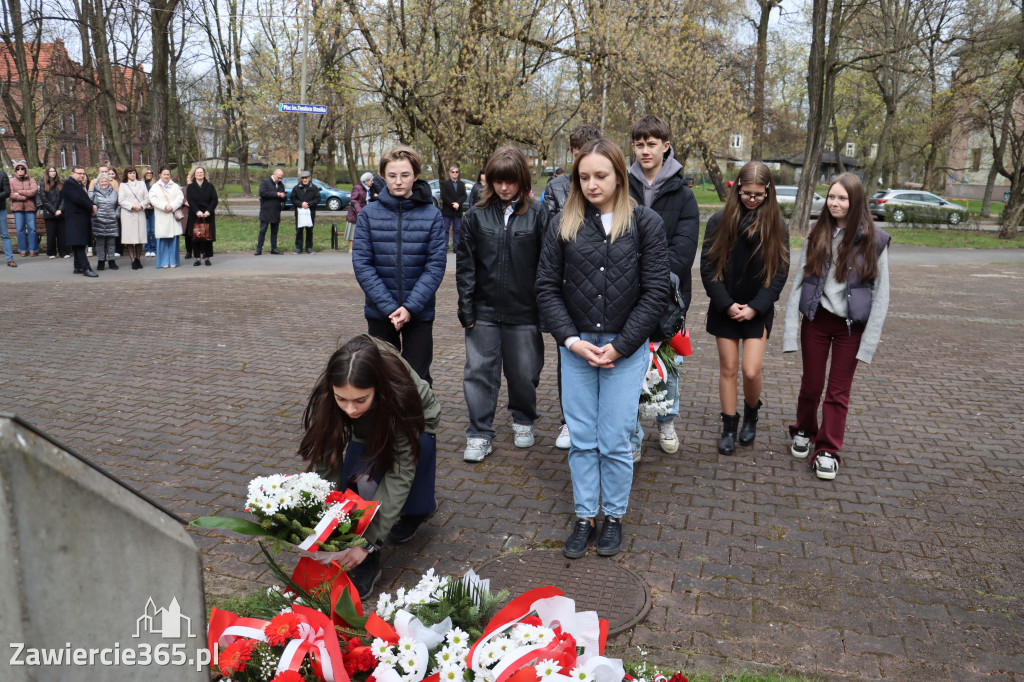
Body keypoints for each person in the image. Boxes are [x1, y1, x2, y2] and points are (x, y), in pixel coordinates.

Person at [535, 138, 670, 558]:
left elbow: (655, 293)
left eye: (601, 175)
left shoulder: (646, 224)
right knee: (582, 438)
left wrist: (623, 346)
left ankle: (613, 516)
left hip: (624, 348)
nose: (592, 184)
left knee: (614, 437)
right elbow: (545, 288)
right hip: (576, 346)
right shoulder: (563, 223)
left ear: (618, 174)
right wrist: (571, 341)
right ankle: (584, 516)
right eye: (584, 176)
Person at [299, 334, 440, 598]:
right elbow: (326, 461)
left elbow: (399, 473)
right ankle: (358, 536)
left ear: (377, 387)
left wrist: (367, 544)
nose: (350, 410)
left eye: (359, 400)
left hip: (414, 421)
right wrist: (325, 525)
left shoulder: (401, 396)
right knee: (351, 483)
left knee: (373, 479)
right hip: (369, 426)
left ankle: (404, 524)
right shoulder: (329, 394)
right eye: (342, 400)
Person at [783, 173, 891, 481]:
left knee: (838, 391)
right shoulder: (818, 233)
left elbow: (881, 295)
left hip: (850, 329)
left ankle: (828, 449)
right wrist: (791, 331)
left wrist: (868, 343)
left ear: (855, 201)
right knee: (812, 383)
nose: (835, 203)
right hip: (816, 321)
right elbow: (798, 285)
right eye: (831, 197)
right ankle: (804, 428)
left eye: (842, 198)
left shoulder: (875, 240)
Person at [457, 146, 549, 463]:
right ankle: (479, 433)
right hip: (482, 311)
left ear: (521, 180)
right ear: (490, 180)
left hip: (524, 312)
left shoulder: (539, 216)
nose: (505, 188)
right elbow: (466, 267)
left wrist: (544, 312)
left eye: (510, 181)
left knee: (525, 373)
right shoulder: (475, 216)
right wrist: (466, 307)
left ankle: (523, 418)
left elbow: (547, 267)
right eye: (498, 181)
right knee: (479, 373)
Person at [700, 161, 789, 456]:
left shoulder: (777, 224)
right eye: (747, 193)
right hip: (725, 306)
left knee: (750, 371)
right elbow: (708, 268)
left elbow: (779, 273)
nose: (752, 199)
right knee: (728, 368)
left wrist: (755, 307)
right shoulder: (718, 221)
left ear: (768, 193)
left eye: (758, 195)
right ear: (737, 189)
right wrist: (726, 305)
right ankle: (729, 426)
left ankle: (751, 412)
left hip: (757, 309)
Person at [627, 115, 701, 460]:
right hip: (625, 292)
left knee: (667, 363)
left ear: (665, 146)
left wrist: (653, 279)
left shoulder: (683, 195)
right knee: (629, 366)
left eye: (651, 144)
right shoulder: (622, 186)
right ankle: (632, 434)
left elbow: (683, 248)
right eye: (639, 144)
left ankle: (666, 421)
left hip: (670, 295)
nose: (644, 150)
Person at [353, 146, 446, 385]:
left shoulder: (432, 215)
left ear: (415, 175)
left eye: (405, 175)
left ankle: (417, 422)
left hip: (419, 311)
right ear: (382, 176)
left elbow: (434, 266)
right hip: (381, 312)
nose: (398, 181)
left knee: (418, 379)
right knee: (383, 377)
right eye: (392, 175)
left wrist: (410, 308)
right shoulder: (369, 215)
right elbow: (363, 264)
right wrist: (389, 307)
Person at [541, 124, 603, 450]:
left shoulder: (611, 184)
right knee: (569, 353)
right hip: (569, 283)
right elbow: (549, 232)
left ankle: (599, 419)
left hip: (604, 281)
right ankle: (569, 420)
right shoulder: (556, 187)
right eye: (579, 156)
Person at [61, 166, 98, 277]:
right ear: (72, 173)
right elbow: (78, 199)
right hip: (75, 219)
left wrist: (92, 205)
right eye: (79, 173)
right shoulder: (68, 184)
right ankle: (86, 268)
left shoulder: (78, 184)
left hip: (80, 218)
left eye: (83, 173)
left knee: (79, 243)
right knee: (79, 244)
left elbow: (84, 199)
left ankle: (78, 266)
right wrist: (91, 207)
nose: (82, 175)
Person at [149, 166, 184, 269]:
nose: (166, 176)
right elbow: (153, 199)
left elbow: (180, 197)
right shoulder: (155, 187)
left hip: (172, 216)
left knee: (173, 240)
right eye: (164, 174)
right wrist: (164, 206)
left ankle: (173, 261)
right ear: (160, 175)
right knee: (163, 240)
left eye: (168, 174)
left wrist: (172, 206)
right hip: (162, 216)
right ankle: (164, 262)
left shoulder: (175, 186)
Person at [119, 166, 151, 270]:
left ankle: (138, 259)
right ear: (126, 175)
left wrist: (141, 205)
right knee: (129, 238)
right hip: (128, 213)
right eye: (130, 173)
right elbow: (121, 200)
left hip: (140, 212)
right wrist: (132, 206)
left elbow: (147, 198)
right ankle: (132, 260)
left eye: (133, 173)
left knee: (139, 238)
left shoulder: (141, 184)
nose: (132, 175)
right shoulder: (123, 185)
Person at [186, 166, 218, 266]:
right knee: (196, 237)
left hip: (208, 215)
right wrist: (197, 211)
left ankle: (207, 258)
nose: (200, 174)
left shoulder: (210, 186)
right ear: (194, 175)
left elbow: (214, 200)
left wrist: (208, 211)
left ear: (204, 174)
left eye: (201, 172)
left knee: (207, 237)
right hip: (195, 215)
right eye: (197, 172)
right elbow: (190, 201)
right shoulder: (190, 187)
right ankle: (197, 258)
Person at [90, 173, 121, 270]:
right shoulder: (93, 192)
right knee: (100, 243)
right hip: (98, 220)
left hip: (112, 219)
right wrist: (95, 214)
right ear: (98, 182)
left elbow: (119, 205)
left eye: (105, 181)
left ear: (109, 181)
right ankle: (101, 262)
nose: (104, 183)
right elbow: (89, 204)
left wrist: (116, 214)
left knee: (111, 243)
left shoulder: (114, 192)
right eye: (102, 181)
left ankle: (112, 261)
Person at [10, 161, 39, 257]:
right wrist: (24, 196)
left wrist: (20, 192)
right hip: (17, 209)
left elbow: (33, 191)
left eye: (22, 168)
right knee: (20, 229)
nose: (20, 170)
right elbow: (11, 195)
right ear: (15, 171)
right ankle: (22, 249)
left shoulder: (31, 180)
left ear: (25, 170)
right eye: (18, 169)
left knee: (32, 229)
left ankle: (33, 249)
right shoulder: (12, 181)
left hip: (30, 208)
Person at [40, 166, 68, 259]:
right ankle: (51, 252)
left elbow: (64, 198)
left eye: (54, 171)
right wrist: (54, 211)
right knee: (51, 234)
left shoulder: (60, 183)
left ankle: (63, 252)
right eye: (51, 171)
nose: (53, 173)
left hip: (61, 212)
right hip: (50, 213)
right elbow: (44, 199)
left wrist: (60, 209)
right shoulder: (43, 184)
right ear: (47, 173)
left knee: (62, 234)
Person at [256, 168, 286, 255]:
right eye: (279, 177)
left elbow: (283, 197)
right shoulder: (265, 182)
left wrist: (283, 196)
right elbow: (263, 193)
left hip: (276, 211)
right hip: (266, 210)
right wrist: (276, 194)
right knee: (263, 230)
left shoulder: (281, 185)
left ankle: (274, 248)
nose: (280, 180)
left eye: (281, 178)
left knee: (274, 231)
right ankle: (259, 249)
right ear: (274, 174)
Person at [439, 165, 467, 251]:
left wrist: (458, 203)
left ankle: (456, 247)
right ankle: (445, 247)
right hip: (447, 210)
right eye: (453, 172)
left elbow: (464, 196)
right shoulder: (445, 184)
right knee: (446, 229)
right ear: (450, 173)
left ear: (458, 173)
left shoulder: (462, 184)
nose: (455, 173)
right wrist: (452, 204)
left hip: (458, 210)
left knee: (457, 230)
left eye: (456, 172)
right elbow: (443, 196)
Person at [291, 170, 320, 254]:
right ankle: (298, 248)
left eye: (306, 178)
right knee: (299, 230)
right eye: (303, 178)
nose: (304, 180)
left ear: (309, 178)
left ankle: (309, 247)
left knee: (309, 230)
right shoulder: (296, 188)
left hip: (310, 212)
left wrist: (308, 204)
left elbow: (318, 199)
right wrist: (301, 204)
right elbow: (293, 199)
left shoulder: (314, 188)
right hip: (299, 213)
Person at [346, 172, 372, 254]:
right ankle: (351, 249)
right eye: (371, 180)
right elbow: (353, 200)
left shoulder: (367, 189)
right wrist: (359, 210)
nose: (372, 182)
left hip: (364, 212)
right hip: (355, 213)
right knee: (352, 231)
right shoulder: (357, 188)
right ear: (366, 181)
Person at [1, 165, 14, 267]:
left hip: (0, 210)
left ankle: (10, 259)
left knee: (5, 235)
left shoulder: (2, 174)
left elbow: (7, 191)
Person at [142, 168, 157, 257]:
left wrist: (154, 204)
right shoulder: (141, 184)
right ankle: (148, 249)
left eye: (151, 173)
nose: (149, 174)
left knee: (154, 230)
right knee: (147, 230)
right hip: (144, 210)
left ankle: (154, 249)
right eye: (147, 173)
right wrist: (145, 205)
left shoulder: (155, 184)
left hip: (154, 209)